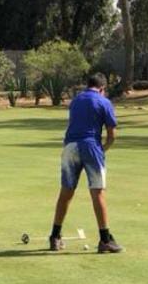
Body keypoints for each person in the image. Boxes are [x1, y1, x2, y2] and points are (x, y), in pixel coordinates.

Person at [48, 72, 122, 253]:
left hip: (70, 147)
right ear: (102, 89)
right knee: (98, 193)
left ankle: (55, 236)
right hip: (90, 146)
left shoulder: (76, 100)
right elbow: (112, 135)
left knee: (66, 191)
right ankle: (105, 240)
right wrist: (102, 150)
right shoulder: (104, 102)